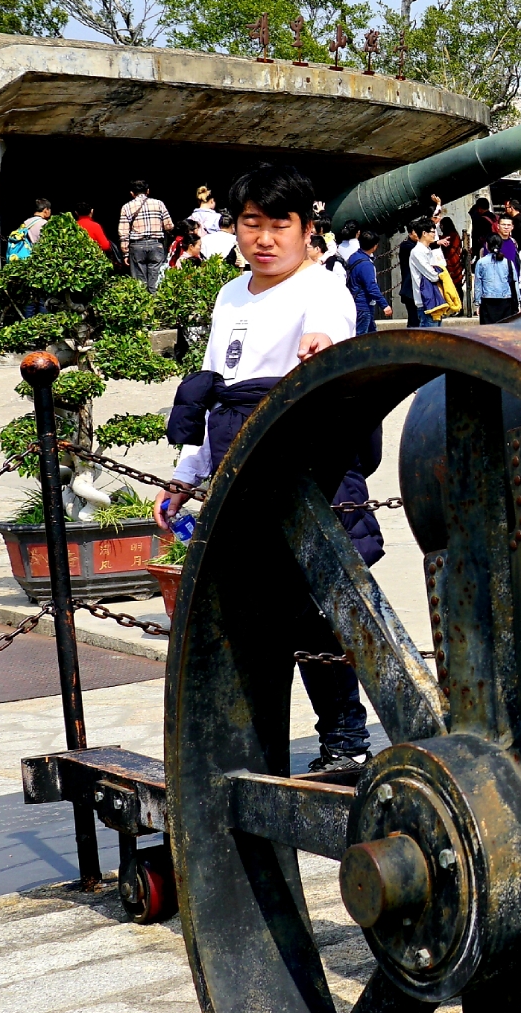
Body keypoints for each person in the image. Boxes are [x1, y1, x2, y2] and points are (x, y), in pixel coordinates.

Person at [159, 164, 378, 768]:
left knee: (316, 610)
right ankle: (256, 749)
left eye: (280, 223)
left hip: (303, 462)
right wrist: (187, 475)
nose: (264, 237)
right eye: (251, 223)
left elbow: (328, 330)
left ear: (308, 228)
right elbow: (209, 390)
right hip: (236, 458)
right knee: (256, 612)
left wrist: (321, 346)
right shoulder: (231, 293)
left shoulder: (324, 285)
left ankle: (346, 743)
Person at [117, 178, 172, 288]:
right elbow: (169, 226)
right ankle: (155, 302)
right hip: (156, 245)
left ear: (132, 193)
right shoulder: (159, 204)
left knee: (140, 284)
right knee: (156, 282)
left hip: (137, 247)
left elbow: (123, 232)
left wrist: (125, 253)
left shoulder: (126, 207)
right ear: (148, 191)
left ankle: (143, 303)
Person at [470, 212, 521, 324]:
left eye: (509, 225)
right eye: (503, 224)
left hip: (507, 292)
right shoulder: (491, 241)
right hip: (499, 295)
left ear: (512, 227)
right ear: (498, 226)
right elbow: (482, 277)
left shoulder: (514, 243)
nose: (506, 227)